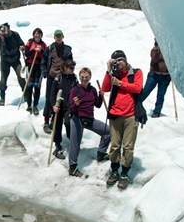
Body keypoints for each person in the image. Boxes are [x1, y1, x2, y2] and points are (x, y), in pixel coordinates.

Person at [102, 50, 143, 190]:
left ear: (125, 60)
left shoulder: (136, 72)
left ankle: (124, 173)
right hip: (115, 115)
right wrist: (108, 72)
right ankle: (114, 171)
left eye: (120, 60)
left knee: (128, 146)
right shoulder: (114, 74)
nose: (118, 63)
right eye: (115, 61)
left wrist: (120, 84)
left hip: (131, 116)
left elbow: (137, 88)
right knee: (114, 145)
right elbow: (105, 88)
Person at [68, 67, 110, 177]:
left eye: (86, 77)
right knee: (75, 143)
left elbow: (98, 105)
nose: (84, 79)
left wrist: (100, 96)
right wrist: (75, 104)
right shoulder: (74, 90)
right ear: (79, 77)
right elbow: (71, 109)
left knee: (108, 131)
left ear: (90, 77)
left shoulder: (92, 90)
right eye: (82, 77)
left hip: (89, 119)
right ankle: (72, 168)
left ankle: (101, 153)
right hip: (77, 118)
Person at [41, 29, 73, 134]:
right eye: (57, 36)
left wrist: (70, 74)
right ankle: (46, 122)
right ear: (54, 37)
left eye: (60, 36)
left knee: (59, 100)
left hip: (62, 78)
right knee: (49, 99)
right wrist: (45, 73)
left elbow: (71, 63)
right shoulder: (49, 49)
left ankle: (53, 122)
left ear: (62, 37)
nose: (58, 38)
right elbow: (44, 61)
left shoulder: (67, 50)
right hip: (51, 77)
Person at [50, 60, 78, 159]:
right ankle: (57, 145)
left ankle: (73, 142)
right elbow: (52, 93)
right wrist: (54, 105)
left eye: (73, 68)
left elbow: (77, 90)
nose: (73, 69)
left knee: (68, 123)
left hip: (69, 106)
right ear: (65, 68)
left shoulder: (74, 78)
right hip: (59, 106)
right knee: (57, 125)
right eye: (71, 68)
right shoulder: (59, 78)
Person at [140, 39, 171, 118]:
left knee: (161, 95)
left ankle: (157, 112)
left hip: (165, 76)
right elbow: (155, 59)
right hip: (154, 74)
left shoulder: (170, 51)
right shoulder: (154, 51)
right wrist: (160, 51)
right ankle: (136, 106)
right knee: (145, 91)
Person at [0, 22, 25, 106]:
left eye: (4, 28)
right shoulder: (0, 39)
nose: (4, 31)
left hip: (15, 59)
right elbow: (3, 51)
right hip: (5, 61)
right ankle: (2, 98)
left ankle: (26, 94)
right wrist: (2, 39)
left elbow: (21, 43)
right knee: (3, 79)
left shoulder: (15, 34)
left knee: (21, 76)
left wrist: (22, 47)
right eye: (1, 30)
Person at [23, 28, 47, 115]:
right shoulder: (29, 42)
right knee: (29, 86)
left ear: (41, 35)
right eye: (36, 34)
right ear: (33, 34)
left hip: (39, 68)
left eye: (39, 34)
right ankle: (29, 105)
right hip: (30, 67)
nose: (37, 35)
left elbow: (46, 56)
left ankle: (35, 105)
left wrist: (42, 51)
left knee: (37, 87)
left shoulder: (43, 45)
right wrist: (34, 50)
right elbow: (26, 53)